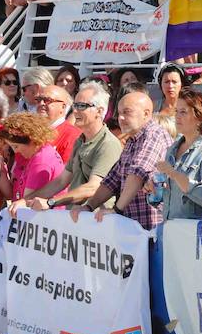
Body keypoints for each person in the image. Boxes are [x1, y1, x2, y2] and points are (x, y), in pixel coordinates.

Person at [70, 90, 169, 230]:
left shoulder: (154, 135)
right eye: (119, 113)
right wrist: (89, 206)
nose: (120, 118)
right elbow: (112, 180)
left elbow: (137, 174)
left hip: (153, 229)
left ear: (146, 113)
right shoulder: (132, 140)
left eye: (127, 112)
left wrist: (116, 210)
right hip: (136, 227)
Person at [18, 80, 122, 213]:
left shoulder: (108, 144)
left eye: (82, 106)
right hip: (76, 219)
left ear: (99, 111)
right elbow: (61, 181)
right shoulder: (80, 140)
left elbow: (93, 187)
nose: (75, 111)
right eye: (75, 105)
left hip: (96, 222)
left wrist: (51, 202)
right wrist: (25, 201)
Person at [150, 89, 202, 220]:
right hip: (169, 230)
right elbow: (170, 196)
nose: (177, 116)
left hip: (194, 235)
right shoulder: (173, 148)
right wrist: (155, 191)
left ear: (199, 117)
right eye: (176, 111)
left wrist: (174, 174)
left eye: (183, 112)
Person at [0, 112, 63, 200]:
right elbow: (12, 195)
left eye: (16, 146)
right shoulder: (25, 155)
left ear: (32, 140)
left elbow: (27, 203)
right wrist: (2, 171)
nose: (15, 151)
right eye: (12, 146)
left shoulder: (41, 161)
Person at [34, 84, 81, 163]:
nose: (41, 103)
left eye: (47, 100)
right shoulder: (32, 131)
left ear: (63, 107)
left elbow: (66, 171)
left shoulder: (72, 135)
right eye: (39, 100)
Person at [154, 62, 185, 136]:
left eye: (174, 82)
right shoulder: (153, 106)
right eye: (166, 82)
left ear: (182, 84)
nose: (170, 86)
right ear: (160, 84)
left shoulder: (189, 106)